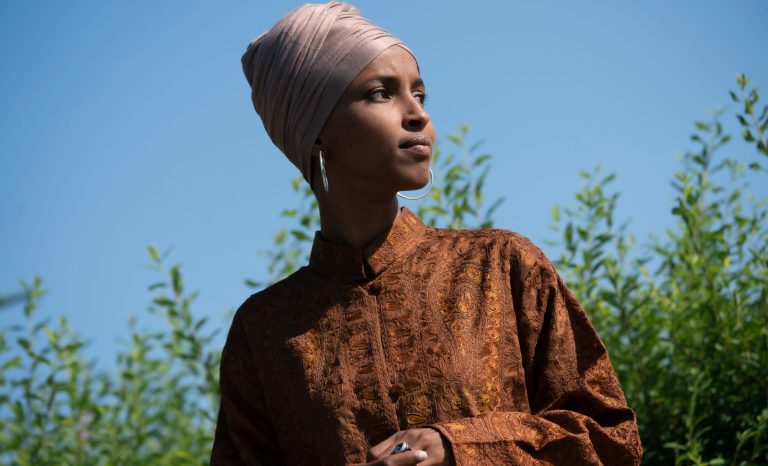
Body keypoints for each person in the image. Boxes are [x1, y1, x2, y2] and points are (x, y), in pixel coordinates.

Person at [211, 3, 642, 465]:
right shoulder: (264, 331)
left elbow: (613, 440)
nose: (417, 114)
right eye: (380, 93)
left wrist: (459, 447)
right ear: (315, 130)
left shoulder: (501, 265)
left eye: (420, 94)